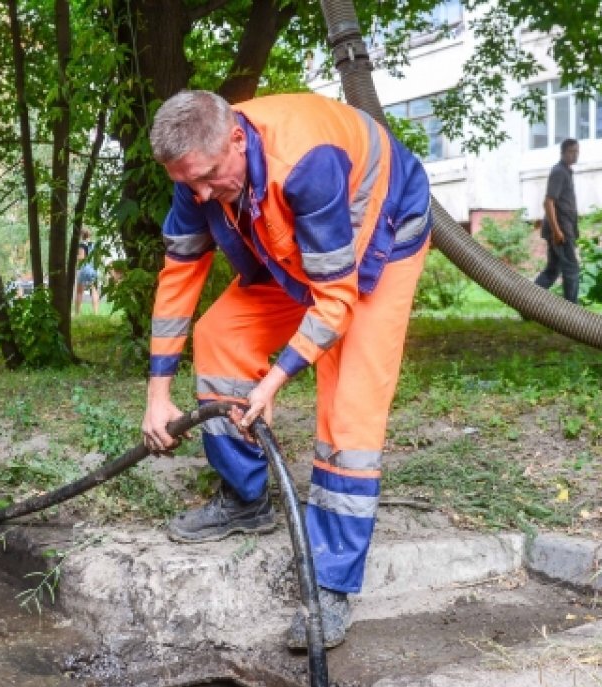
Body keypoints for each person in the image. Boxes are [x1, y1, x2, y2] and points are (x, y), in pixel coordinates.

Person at [140, 91, 431, 650]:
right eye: (188, 184)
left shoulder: (307, 163)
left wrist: (275, 379)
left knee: (348, 411)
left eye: (206, 179)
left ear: (236, 140)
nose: (199, 195)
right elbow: (178, 278)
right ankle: (246, 500)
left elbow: (335, 300)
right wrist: (158, 394)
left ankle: (330, 587)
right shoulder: (197, 172)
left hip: (379, 237)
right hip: (295, 241)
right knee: (220, 335)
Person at [534, 138, 581, 304]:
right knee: (571, 270)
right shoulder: (559, 172)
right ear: (563, 153)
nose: (575, 155)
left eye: (577, 151)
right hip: (560, 231)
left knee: (552, 270)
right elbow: (548, 202)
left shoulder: (566, 171)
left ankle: (527, 303)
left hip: (564, 229)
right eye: (571, 152)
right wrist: (557, 231)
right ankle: (572, 312)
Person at [74, 228, 100, 315]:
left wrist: (74, 257)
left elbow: (82, 257)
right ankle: (96, 312)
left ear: (81, 235)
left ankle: (77, 312)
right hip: (93, 269)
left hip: (84, 269)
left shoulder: (82, 244)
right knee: (94, 290)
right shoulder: (94, 245)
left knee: (79, 291)